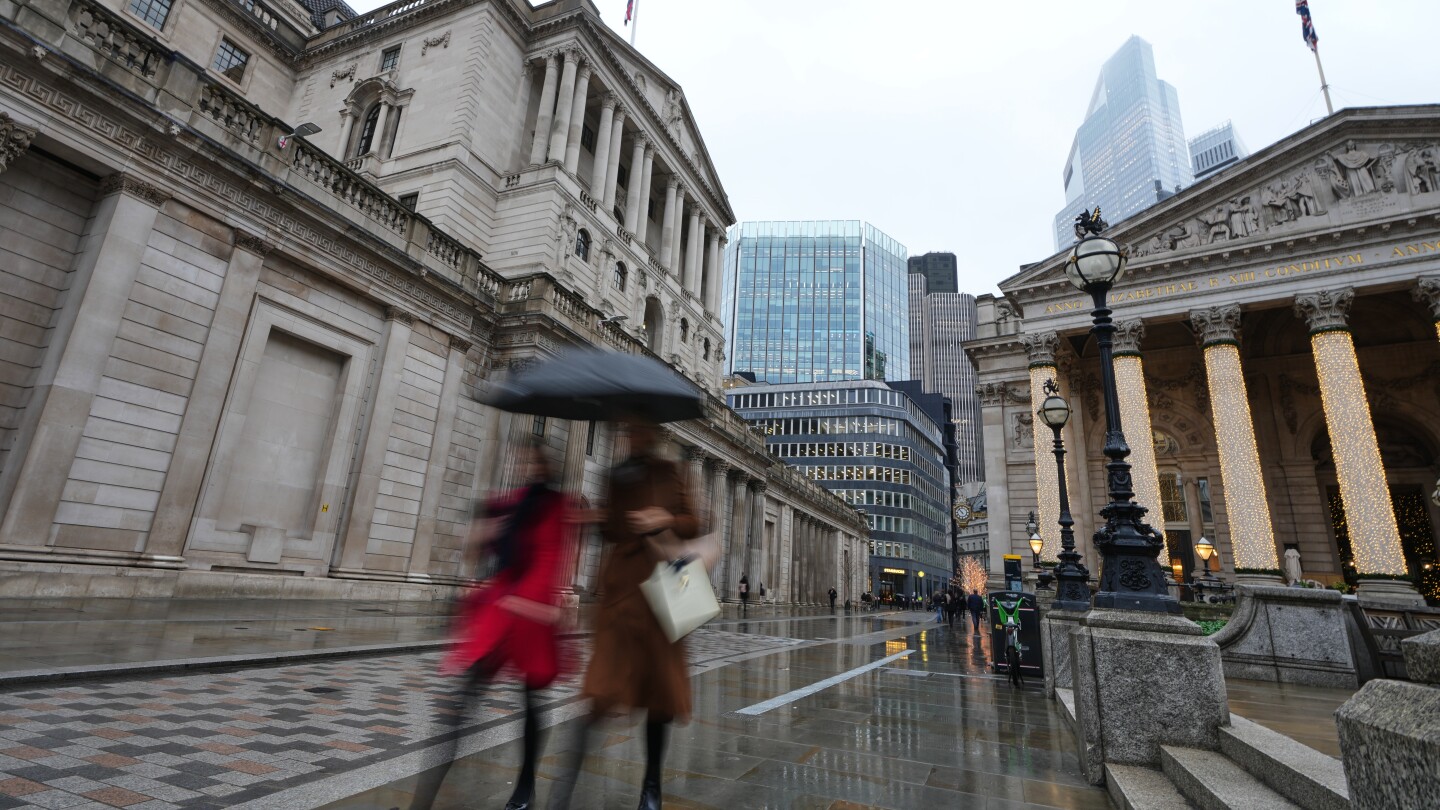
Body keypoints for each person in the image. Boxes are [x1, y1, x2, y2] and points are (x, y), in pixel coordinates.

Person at [410, 437, 570, 810]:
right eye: (522, 459)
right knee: (459, 705)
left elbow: (551, 557)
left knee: (531, 703)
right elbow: (482, 549)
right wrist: (482, 535)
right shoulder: (510, 502)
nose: (526, 466)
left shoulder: (555, 506)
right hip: (501, 612)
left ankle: (525, 787)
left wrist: (527, 600)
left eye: (533, 460)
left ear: (546, 465)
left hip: (531, 616)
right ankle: (422, 801)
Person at [551, 413, 700, 810]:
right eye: (627, 430)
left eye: (638, 429)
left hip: (667, 590)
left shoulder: (670, 472)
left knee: (660, 695)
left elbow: (693, 522)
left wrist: (664, 518)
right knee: (600, 689)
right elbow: (613, 529)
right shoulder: (616, 475)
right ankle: (561, 792)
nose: (631, 435)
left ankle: (652, 784)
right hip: (622, 593)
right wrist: (597, 519)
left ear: (651, 432)